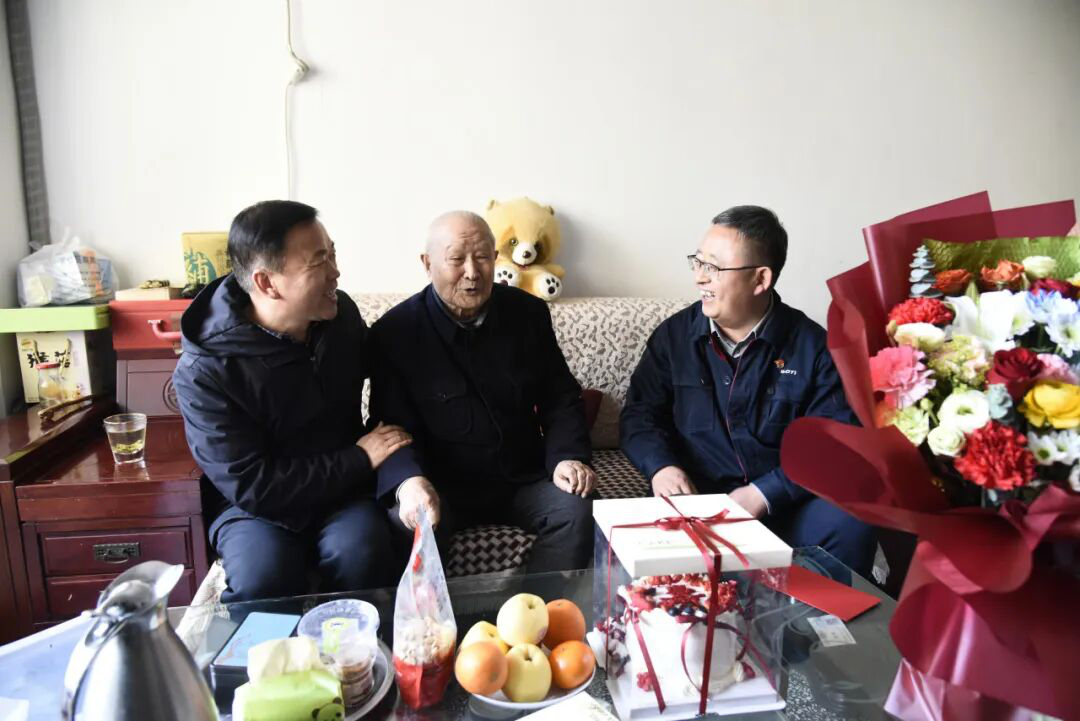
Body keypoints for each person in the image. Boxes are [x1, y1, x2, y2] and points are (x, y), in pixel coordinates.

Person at [173, 200, 411, 602]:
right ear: (267, 283)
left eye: (332, 254)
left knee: (362, 554)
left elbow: (393, 364)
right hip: (256, 509)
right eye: (319, 261)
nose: (336, 272)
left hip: (342, 495)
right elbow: (252, 484)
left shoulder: (339, 319)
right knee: (264, 578)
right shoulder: (206, 369)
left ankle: (364, 644)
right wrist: (358, 458)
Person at [620, 205, 876, 576]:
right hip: (699, 504)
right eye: (698, 262)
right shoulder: (674, 338)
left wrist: (764, 494)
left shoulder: (814, 348)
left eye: (714, 268)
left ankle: (817, 614)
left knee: (852, 522)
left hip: (788, 506)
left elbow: (834, 442)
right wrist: (661, 467)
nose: (700, 278)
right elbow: (640, 415)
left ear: (760, 279)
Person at [368, 210, 596, 573]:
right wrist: (409, 482)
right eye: (457, 259)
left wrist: (566, 457)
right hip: (442, 485)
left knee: (577, 509)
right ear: (427, 264)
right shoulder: (395, 332)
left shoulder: (528, 313)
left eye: (483, 257)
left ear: (495, 258)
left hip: (522, 477)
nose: (472, 272)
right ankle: (440, 613)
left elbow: (560, 396)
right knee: (405, 524)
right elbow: (390, 427)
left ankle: (537, 605)